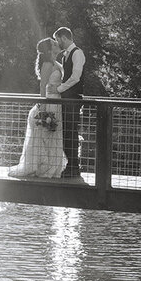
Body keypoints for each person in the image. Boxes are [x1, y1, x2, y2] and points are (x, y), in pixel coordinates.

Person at [7, 38, 68, 179]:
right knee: (45, 135)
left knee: (53, 136)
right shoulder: (47, 64)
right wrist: (43, 106)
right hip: (49, 101)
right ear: (48, 49)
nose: (56, 44)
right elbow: (43, 86)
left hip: (57, 102)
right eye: (53, 43)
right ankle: (42, 167)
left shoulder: (56, 63)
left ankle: (52, 167)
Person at [54, 26, 85, 178]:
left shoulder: (77, 53)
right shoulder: (66, 55)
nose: (57, 42)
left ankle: (74, 166)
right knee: (67, 132)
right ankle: (71, 165)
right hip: (67, 99)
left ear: (64, 38)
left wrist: (59, 89)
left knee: (71, 132)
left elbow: (75, 77)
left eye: (58, 39)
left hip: (73, 98)